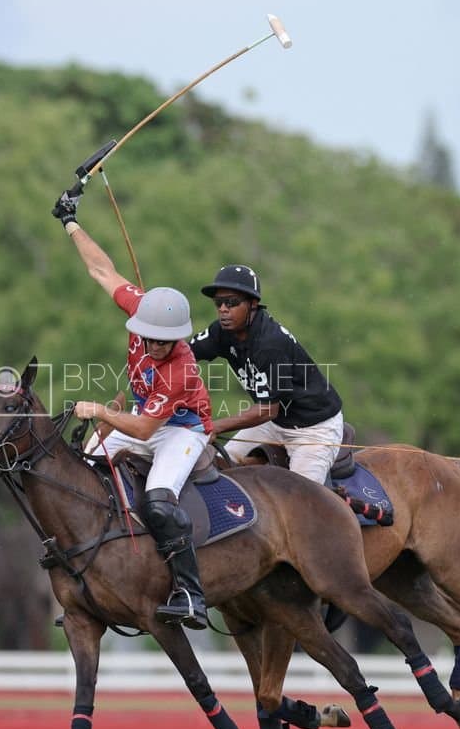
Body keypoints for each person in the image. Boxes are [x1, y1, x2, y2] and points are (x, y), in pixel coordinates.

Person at [51, 187, 212, 630]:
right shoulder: (141, 310)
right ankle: (88, 579)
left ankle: (191, 594)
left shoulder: (180, 367)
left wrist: (100, 411)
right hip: (144, 415)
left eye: (167, 339)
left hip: (182, 430)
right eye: (152, 337)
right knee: (81, 472)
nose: (157, 346)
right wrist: (71, 224)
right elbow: (102, 270)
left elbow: (143, 430)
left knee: (159, 502)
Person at [188, 264, 345, 485]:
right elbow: (184, 355)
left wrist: (216, 426)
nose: (223, 308)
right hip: (275, 423)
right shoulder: (221, 331)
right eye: (218, 302)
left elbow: (268, 409)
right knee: (216, 465)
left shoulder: (271, 344)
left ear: (253, 304)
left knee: (298, 502)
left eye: (232, 302)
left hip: (313, 430)